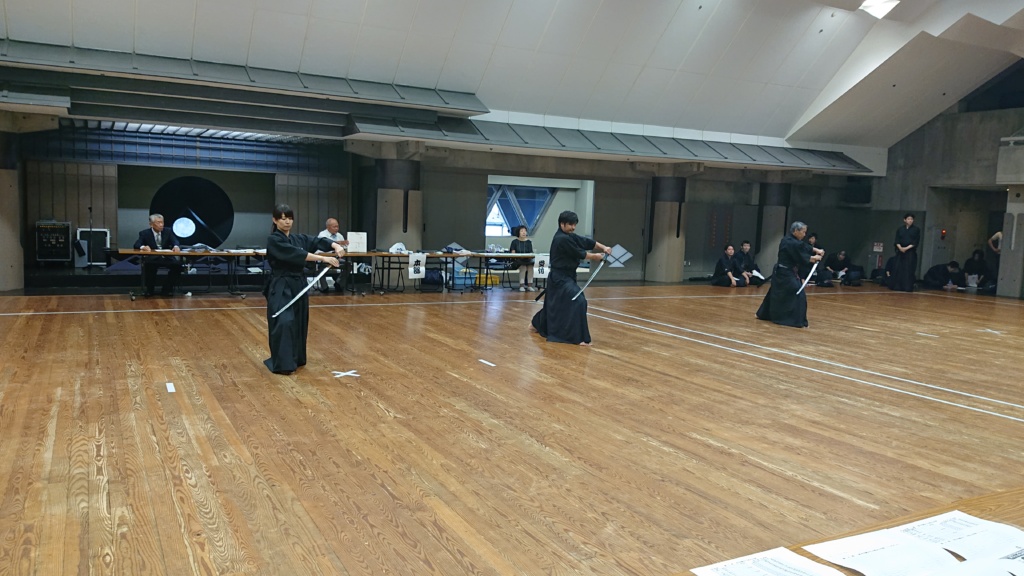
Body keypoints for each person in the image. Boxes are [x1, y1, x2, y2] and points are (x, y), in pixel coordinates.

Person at [264, 204, 345, 374]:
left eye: (290, 218)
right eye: (283, 219)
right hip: (281, 285)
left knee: (299, 321)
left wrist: (335, 246)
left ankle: (296, 358)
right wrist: (323, 259)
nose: (287, 222)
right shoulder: (274, 240)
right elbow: (295, 253)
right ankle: (283, 364)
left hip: (298, 284)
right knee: (284, 321)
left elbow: (317, 241)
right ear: (275, 220)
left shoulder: (298, 238)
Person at [531, 210, 612, 346]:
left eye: (574, 224)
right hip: (559, 278)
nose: (573, 227)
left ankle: (535, 324)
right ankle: (577, 337)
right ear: (562, 224)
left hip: (566, 276)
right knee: (578, 301)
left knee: (555, 303)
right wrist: (595, 257)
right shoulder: (561, 239)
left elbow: (585, 242)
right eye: (570, 225)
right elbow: (579, 253)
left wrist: (604, 247)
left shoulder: (569, 236)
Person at [756, 221, 823, 328]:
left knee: (776, 292)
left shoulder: (788, 239)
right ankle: (794, 320)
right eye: (803, 232)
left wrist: (816, 250)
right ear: (796, 231)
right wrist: (815, 258)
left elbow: (804, 246)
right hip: (785, 273)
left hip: (783, 272)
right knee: (798, 293)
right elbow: (802, 256)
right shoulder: (791, 243)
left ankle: (765, 314)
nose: (805, 234)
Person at [133, 213, 183, 296]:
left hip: (166, 258)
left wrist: (176, 246)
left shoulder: (168, 231)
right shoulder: (144, 233)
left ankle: (167, 289)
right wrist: (143, 247)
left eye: (162, 222)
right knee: (149, 266)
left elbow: (175, 241)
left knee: (178, 266)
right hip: (153, 258)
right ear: (151, 224)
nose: (161, 225)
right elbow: (137, 244)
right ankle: (150, 290)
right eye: (158, 222)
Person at [316, 218, 349, 292]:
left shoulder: (339, 235)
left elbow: (344, 248)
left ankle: (339, 283)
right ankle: (324, 287)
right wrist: (338, 243)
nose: (337, 228)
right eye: (334, 227)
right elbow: (322, 247)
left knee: (348, 265)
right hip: (325, 258)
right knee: (321, 267)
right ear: (328, 227)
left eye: (337, 226)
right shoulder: (322, 235)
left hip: (337, 258)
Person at [890, 213, 921, 292]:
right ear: (904, 220)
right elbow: (897, 240)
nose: (910, 221)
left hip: (910, 252)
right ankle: (897, 286)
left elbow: (915, 242)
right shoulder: (900, 229)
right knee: (898, 269)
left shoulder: (916, 229)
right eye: (908, 219)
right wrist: (900, 248)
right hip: (900, 251)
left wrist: (906, 248)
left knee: (908, 269)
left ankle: (907, 287)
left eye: (911, 219)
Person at [509, 225, 536, 292]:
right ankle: (521, 286)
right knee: (523, 267)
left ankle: (529, 286)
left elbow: (531, 253)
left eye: (525, 231)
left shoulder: (529, 242)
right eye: (522, 231)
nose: (524, 232)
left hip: (528, 260)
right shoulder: (514, 242)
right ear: (518, 232)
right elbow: (513, 253)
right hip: (517, 261)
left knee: (530, 267)